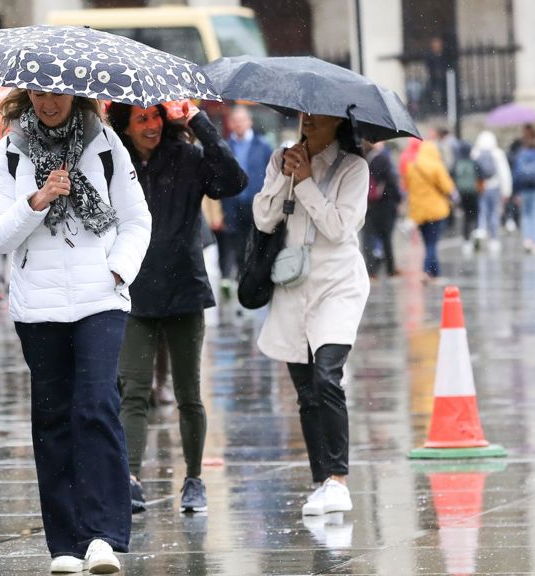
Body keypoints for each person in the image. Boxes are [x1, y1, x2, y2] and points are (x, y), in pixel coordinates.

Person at [0, 88, 151, 574]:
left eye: (56, 93)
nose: (47, 102)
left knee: (96, 404)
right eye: (37, 93)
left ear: (73, 93)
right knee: (52, 418)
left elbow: (137, 219)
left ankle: (102, 534)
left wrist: (118, 270)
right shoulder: (11, 147)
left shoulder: (105, 142)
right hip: (38, 304)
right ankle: (65, 543)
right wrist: (36, 200)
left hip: (101, 297)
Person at [107, 101, 246, 515]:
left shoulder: (187, 157)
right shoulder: (115, 162)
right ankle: (130, 479)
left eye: (155, 117)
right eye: (141, 119)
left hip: (185, 288)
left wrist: (200, 123)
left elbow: (233, 180)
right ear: (125, 126)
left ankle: (195, 479)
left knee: (189, 393)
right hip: (135, 292)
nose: (150, 126)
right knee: (133, 391)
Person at [251, 112, 370, 517]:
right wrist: (286, 175)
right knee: (305, 392)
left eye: (319, 117)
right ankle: (321, 481)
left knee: (327, 377)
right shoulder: (280, 159)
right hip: (292, 284)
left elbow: (338, 228)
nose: (309, 122)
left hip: (337, 285)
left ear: (339, 121)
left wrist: (305, 183)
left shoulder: (353, 168)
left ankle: (338, 479)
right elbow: (264, 219)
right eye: (305, 115)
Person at [220, 105, 273, 291]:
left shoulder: (263, 146)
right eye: (235, 121)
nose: (239, 124)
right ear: (230, 123)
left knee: (259, 245)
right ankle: (243, 285)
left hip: (257, 204)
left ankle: (259, 282)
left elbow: (271, 176)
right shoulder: (225, 146)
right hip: (233, 205)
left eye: (242, 120)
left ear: (249, 121)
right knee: (238, 248)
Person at [404, 140, 455, 280]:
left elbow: (408, 187)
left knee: (428, 243)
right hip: (435, 211)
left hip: (419, 212)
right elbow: (447, 187)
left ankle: (435, 272)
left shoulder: (412, 167)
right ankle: (426, 270)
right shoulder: (437, 166)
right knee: (432, 243)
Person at [361, 140, 401, 278]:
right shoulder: (382, 159)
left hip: (368, 205)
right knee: (386, 237)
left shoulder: (362, 159)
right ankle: (390, 269)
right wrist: (398, 199)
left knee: (369, 237)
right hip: (385, 204)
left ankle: (371, 270)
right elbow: (391, 181)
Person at [471, 131, 512, 253]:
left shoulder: (475, 153)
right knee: (494, 213)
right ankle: (493, 240)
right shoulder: (497, 153)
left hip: (481, 187)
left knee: (481, 211)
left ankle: (481, 231)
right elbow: (504, 173)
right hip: (494, 187)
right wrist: (506, 192)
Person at [512, 126, 535, 253]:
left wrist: (516, 191)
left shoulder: (520, 156)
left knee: (526, 216)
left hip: (524, 190)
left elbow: (516, 175)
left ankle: (527, 240)